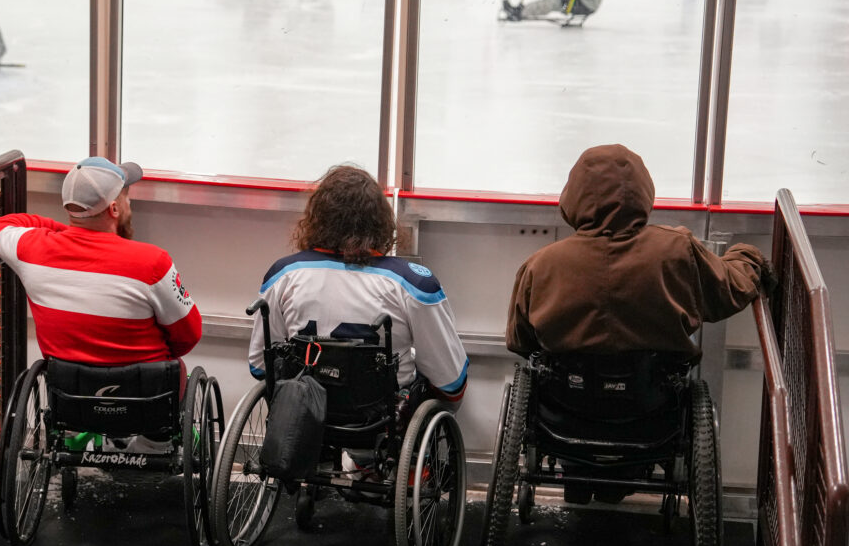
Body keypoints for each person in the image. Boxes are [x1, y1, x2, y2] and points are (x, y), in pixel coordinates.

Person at [0, 157, 202, 453]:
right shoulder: (153, 262)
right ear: (114, 209)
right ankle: (152, 445)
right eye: (126, 196)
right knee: (175, 372)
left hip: (72, 395)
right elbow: (188, 335)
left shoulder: (30, 250)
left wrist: (64, 232)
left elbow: (0, 225)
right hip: (145, 398)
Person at [506, 144, 769, 361]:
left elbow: (520, 341)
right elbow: (730, 290)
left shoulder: (541, 266)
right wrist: (747, 255)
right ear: (643, 192)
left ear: (571, 198)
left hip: (564, 411)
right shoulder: (676, 249)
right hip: (656, 407)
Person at [248, 165, 468, 423]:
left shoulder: (283, 274)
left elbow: (260, 366)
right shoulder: (414, 283)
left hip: (305, 417)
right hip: (383, 422)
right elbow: (451, 383)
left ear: (316, 219)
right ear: (381, 221)